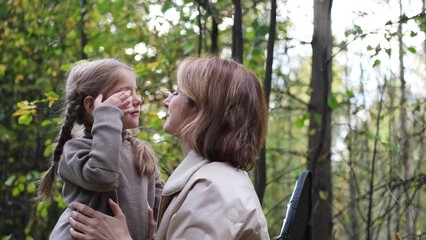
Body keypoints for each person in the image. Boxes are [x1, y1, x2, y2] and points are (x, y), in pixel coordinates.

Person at [68, 56, 271, 240]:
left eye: (177, 93)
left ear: (200, 110)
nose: (166, 101)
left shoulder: (212, 192)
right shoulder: (211, 183)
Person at [37, 58, 164, 240]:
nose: (138, 100)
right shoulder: (74, 150)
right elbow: (103, 177)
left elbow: (168, 207)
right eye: (124, 94)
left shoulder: (140, 153)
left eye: (135, 92)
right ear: (92, 106)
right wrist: (107, 117)